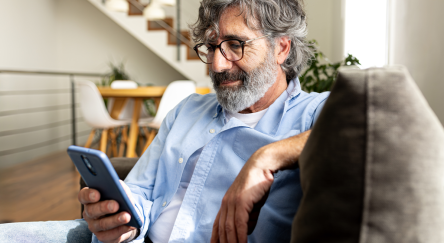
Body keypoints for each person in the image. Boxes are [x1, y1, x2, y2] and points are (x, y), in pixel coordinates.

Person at [0, 0, 328, 242]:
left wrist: (268, 156)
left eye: (234, 45)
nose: (216, 63)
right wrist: (120, 218)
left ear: (281, 47)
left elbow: (370, 132)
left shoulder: (314, 114)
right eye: (212, 46)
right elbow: (141, 189)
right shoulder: (188, 110)